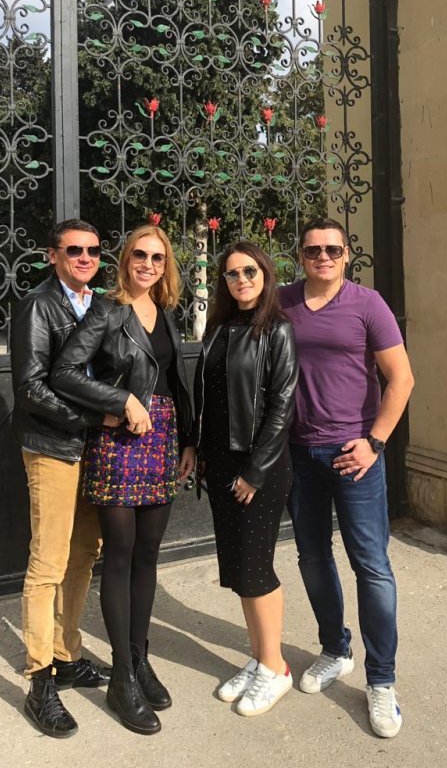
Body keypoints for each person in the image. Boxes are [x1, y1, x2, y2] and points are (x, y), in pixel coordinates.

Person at [51, 224, 195, 736]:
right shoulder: (107, 310)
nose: (148, 265)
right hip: (119, 438)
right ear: (125, 259)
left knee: (148, 556)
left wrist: (189, 440)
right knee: (120, 554)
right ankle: (121, 678)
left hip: (162, 436)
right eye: (140, 255)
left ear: (166, 265)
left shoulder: (167, 312)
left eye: (157, 258)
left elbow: (174, 380)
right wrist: (121, 401)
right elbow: (65, 372)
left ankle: (138, 659)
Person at [279, 217, 414, 739]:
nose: (323, 257)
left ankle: (381, 680)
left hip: (355, 454)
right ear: (300, 254)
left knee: (371, 566)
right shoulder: (283, 301)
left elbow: (401, 378)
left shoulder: (367, 304)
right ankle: (335, 649)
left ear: (346, 255)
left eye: (333, 249)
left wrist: (374, 442)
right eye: (314, 250)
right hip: (299, 452)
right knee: (312, 558)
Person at [10, 219, 112, 739]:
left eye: (93, 249)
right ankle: (39, 678)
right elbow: (30, 387)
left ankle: (66, 654)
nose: (85, 257)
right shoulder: (38, 305)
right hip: (53, 445)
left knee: (84, 553)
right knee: (48, 560)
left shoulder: (99, 304)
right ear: (52, 255)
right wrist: (91, 420)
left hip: (92, 447)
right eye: (74, 250)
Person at [194, 241, 298, 717]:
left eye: (250, 271)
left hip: (260, 467)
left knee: (256, 569)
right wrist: (199, 449)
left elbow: (282, 405)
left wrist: (255, 471)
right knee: (238, 569)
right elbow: (210, 396)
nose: (241, 280)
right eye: (233, 273)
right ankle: (260, 659)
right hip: (220, 461)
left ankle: (276, 668)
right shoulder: (219, 328)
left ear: (265, 275)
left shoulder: (278, 330)